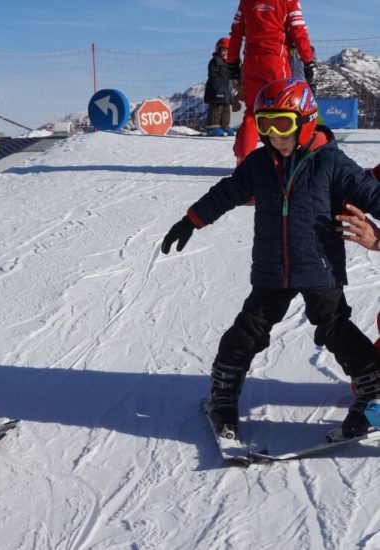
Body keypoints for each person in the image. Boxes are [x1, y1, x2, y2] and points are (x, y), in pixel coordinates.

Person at [161, 78, 380, 440]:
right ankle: (224, 393)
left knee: (336, 328)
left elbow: (371, 193)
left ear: (306, 120)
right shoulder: (261, 162)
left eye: (282, 124)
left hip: (320, 267)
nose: (274, 135)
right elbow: (228, 192)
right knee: (249, 329)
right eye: (265, 125)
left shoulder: (331, 162)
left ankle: (373, 390)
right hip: (271, 269)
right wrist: (192, 220)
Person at [226, 0, 316, 165]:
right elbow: (299, 30)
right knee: (281, 110)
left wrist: (232, 61)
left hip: (251, 61)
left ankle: (243, 161)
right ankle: (282, 163)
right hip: (276, 60)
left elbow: (236, 31)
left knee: (252, 112)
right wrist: (308, 60)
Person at [204, 37, 237, 137]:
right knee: (217, 108)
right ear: (218, 50)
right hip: (215, 88)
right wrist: (217, 89)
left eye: (227, 51)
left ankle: (224, 125)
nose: (225, 53)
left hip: (225, 89)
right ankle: (213, 127)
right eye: (223, 50)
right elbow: (213, 76)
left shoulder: (227, 63)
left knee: (226, 108)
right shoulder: (215, 61)